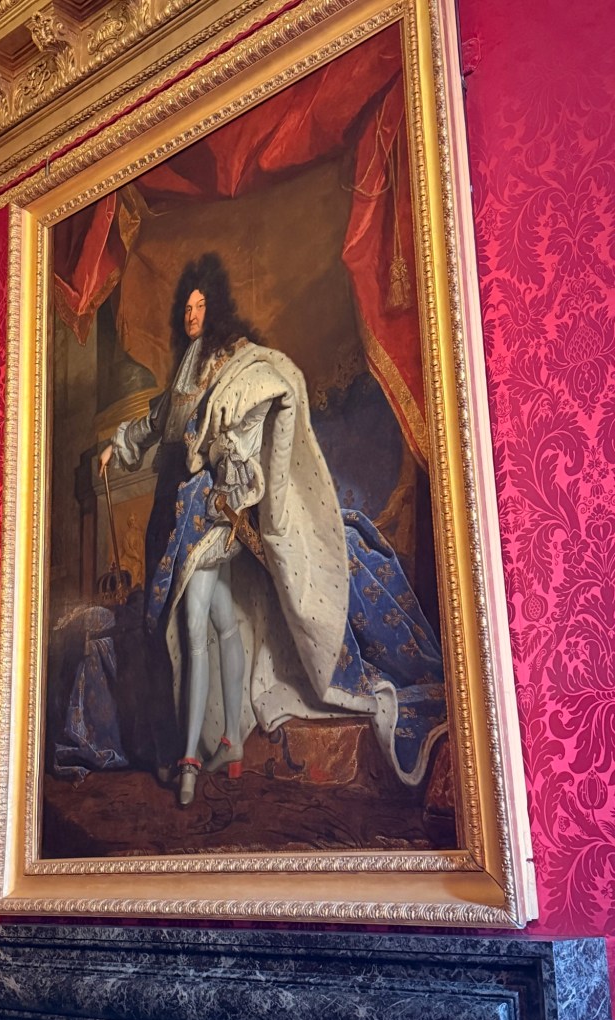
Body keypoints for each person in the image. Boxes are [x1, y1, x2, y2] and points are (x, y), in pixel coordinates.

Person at [100, 253, 446, 807]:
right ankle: (232, 746)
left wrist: (231, 472)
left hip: (216, 512)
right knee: (219, 621)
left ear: (215, 308)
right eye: (186, 308)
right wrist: (116, 445)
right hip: (180, 513)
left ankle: (189, 759)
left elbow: (272, 395)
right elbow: (156, 419)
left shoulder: (236, 361)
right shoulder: (187, 367)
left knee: (193, 622)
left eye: (200, 306)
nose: (191, 315)